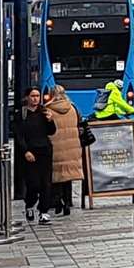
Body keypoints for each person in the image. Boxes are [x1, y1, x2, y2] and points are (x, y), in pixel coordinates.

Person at [13, 87, 56, 224]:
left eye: (37, 96)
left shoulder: (43, 112)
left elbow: (51, 132)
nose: (35, 98)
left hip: (45, 150)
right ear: (27, 97)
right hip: (30, 152)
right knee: (33, 184)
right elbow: (18, 135)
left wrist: (50, 121)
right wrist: (25, 151)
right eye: (32, 96)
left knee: (46, 183)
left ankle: (43, 212)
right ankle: (30, 204)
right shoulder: (22, 114)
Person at [46, 86, 83, 216]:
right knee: (68, 177)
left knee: (56, 177)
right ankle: (68, 202)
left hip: (55, 146)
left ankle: (58, 202)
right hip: (72, 147)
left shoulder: (48, 110)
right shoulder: (73, 108)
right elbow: (80, 123)